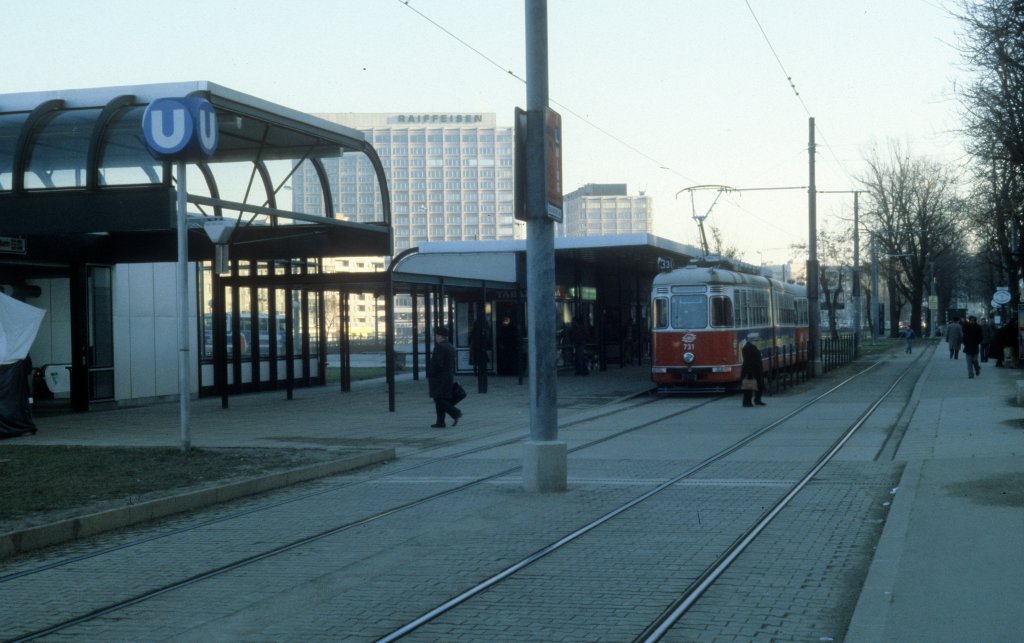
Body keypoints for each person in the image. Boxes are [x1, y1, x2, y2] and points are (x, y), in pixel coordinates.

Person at [427, 327, 462, 428]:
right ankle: (440, 422)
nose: (436, 337)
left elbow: (437, 363)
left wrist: (431, 373)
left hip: (439, 377)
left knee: (438, 398)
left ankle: (455, 412)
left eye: (436, 335)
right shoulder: (450, 346)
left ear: (439, 336)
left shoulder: (439, 347)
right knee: (441, 397)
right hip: (447, 376)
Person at [740, 333, 766, 407]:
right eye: (756, 340)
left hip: (756, 370)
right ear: (751, 340)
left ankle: (757, 400)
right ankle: (747, 402)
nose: (757, 342)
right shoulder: (747, 348)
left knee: (760, 386)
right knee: (748, 387)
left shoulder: (753, 347)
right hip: (750, 371)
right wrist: (749, 372)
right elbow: (748, 361)